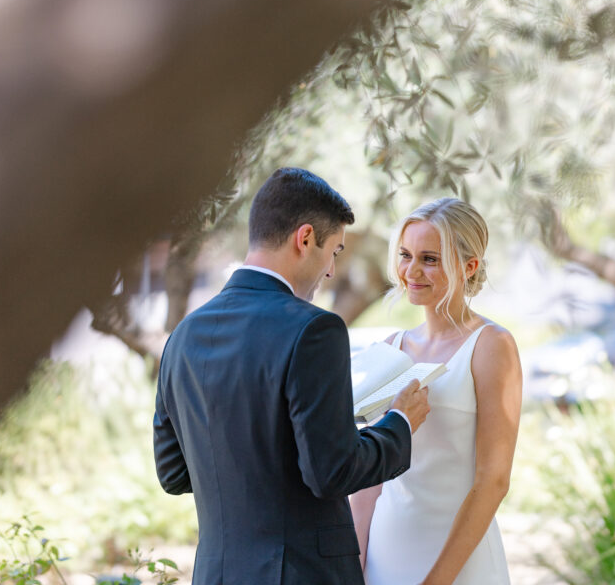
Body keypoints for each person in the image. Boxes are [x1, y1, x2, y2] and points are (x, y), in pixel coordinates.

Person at [153, 167, 430, 585]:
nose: (332, 271)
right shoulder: (314, 329)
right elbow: (332, 473)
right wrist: (399, 423)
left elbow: (173, 473)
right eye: (335, 251)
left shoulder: (184, 336)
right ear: (304, 239)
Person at [352, 197, 521, 585]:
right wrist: (352, 567)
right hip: (384, 554)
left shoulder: (492, 345)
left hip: (461, 564)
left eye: (430, 258)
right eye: (406, 255)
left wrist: (436, 581)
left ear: (469, 266)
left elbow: (494, 480)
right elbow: (368, 481)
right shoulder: (390, 348)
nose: (412, 270)